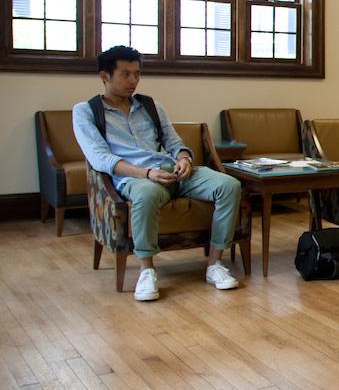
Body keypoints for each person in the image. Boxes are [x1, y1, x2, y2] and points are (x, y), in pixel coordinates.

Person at [73, 45, 243, 302]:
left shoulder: (151, 106)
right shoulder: (86, 111)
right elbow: (101, 159)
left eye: (137, 74)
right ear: (104, 76)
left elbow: (174, 143)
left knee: (229, 185)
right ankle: (147, 271)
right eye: (126, 74)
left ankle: (214, 265)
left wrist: (184, 159)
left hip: (172, 170)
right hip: (135, 177)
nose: (133, 80)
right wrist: (146, 173)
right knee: (147, 194)